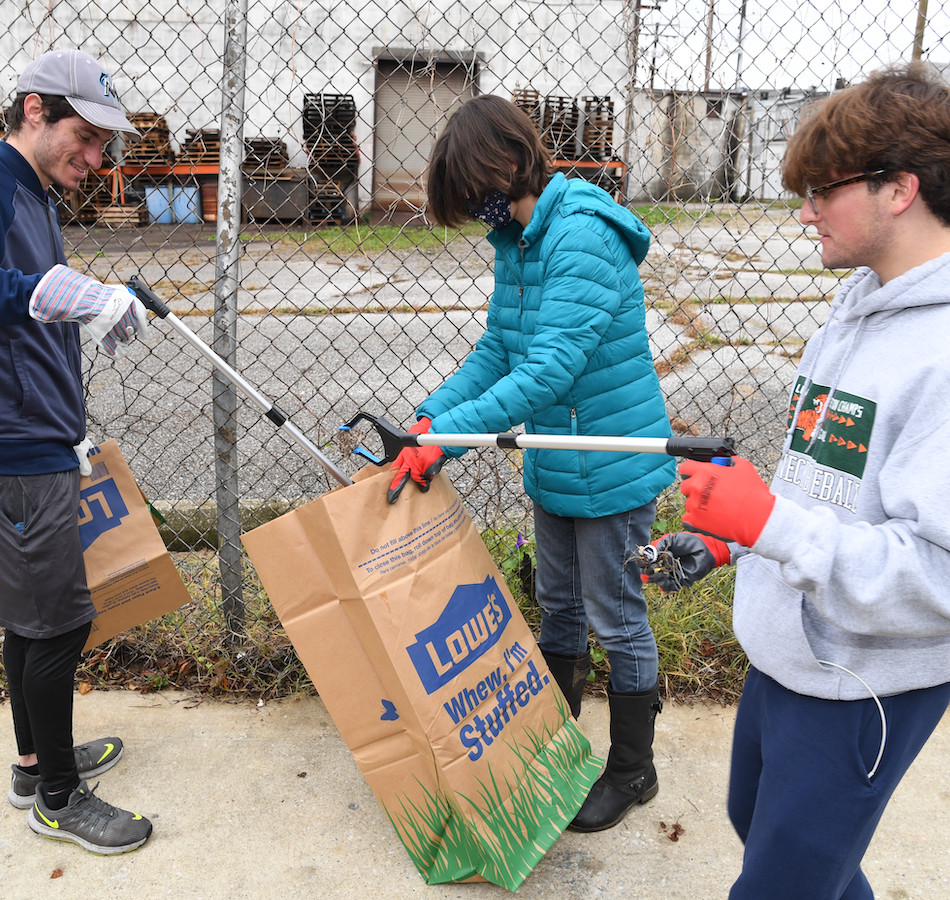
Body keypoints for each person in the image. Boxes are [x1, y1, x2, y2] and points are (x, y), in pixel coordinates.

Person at [642, 61, 950, 898]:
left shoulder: (941, 357)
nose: (804, 210)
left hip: (862, 683)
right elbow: (819, 490)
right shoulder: (855, 313)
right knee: (768, 834)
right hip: (788, 652)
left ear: (899, 190)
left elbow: (939, 576)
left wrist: (772, 527)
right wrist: (729, 535)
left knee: (783, 883)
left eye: (822, 189)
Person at [387, 94, 676, 832]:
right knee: (559, 605)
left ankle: (632, 770)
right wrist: (428, 417)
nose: (475, 213)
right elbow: (497, 353)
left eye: (474, 194)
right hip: (555, 459)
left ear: (508, 166)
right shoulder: (516, 240)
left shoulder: (579, 235)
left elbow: (548, 371)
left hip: (608, 463)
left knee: (616, 616)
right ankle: (553, 745)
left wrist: (445, 441)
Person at [1, 48, 151, 854]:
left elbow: (32, 299)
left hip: (43, 430)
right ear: (35, 109)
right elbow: (13, 290)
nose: (95, 161)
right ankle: (58, 796)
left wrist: (81, 297)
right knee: (59, 623)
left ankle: (33, 762)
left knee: (29, 618)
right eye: (85, 139)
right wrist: (50, 292)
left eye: (103, 146)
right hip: (19, 445)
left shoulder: (37, 193)